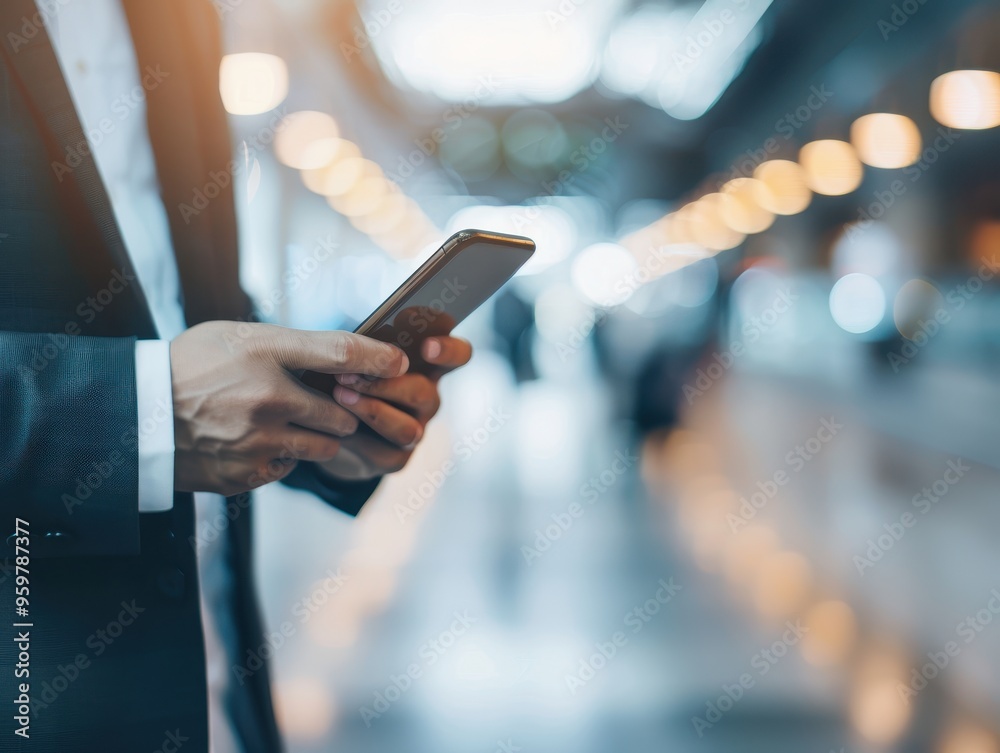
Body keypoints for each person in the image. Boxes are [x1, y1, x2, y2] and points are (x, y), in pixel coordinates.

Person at [0, 1, 470, 750]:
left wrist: (326, 414)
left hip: (218, 697)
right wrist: (139, 414)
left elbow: (188, 300)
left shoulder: (183, 18)